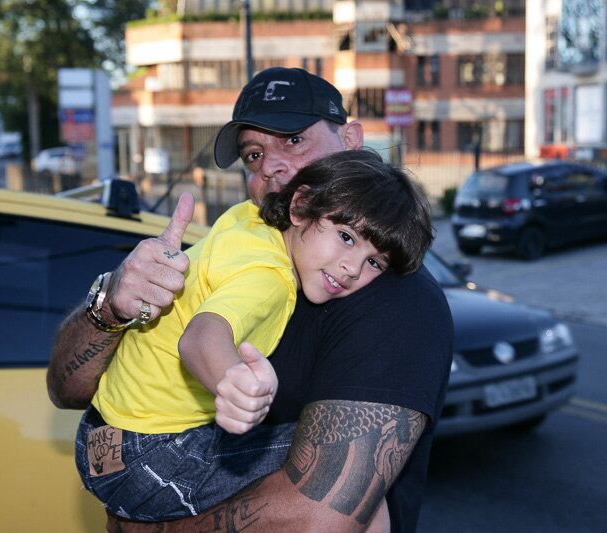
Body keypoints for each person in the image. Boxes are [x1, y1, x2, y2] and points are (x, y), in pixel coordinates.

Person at [47, 67, 453, 532]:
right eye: (254, 154)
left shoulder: (393, 302)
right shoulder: (252, 245)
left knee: (354, 498)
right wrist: (111, 303)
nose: (271, 167)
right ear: (297, 206)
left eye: (294, 141)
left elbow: (321, 517)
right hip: (137, 449)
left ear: (352, 141)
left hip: (116, 453)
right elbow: (66, 391)